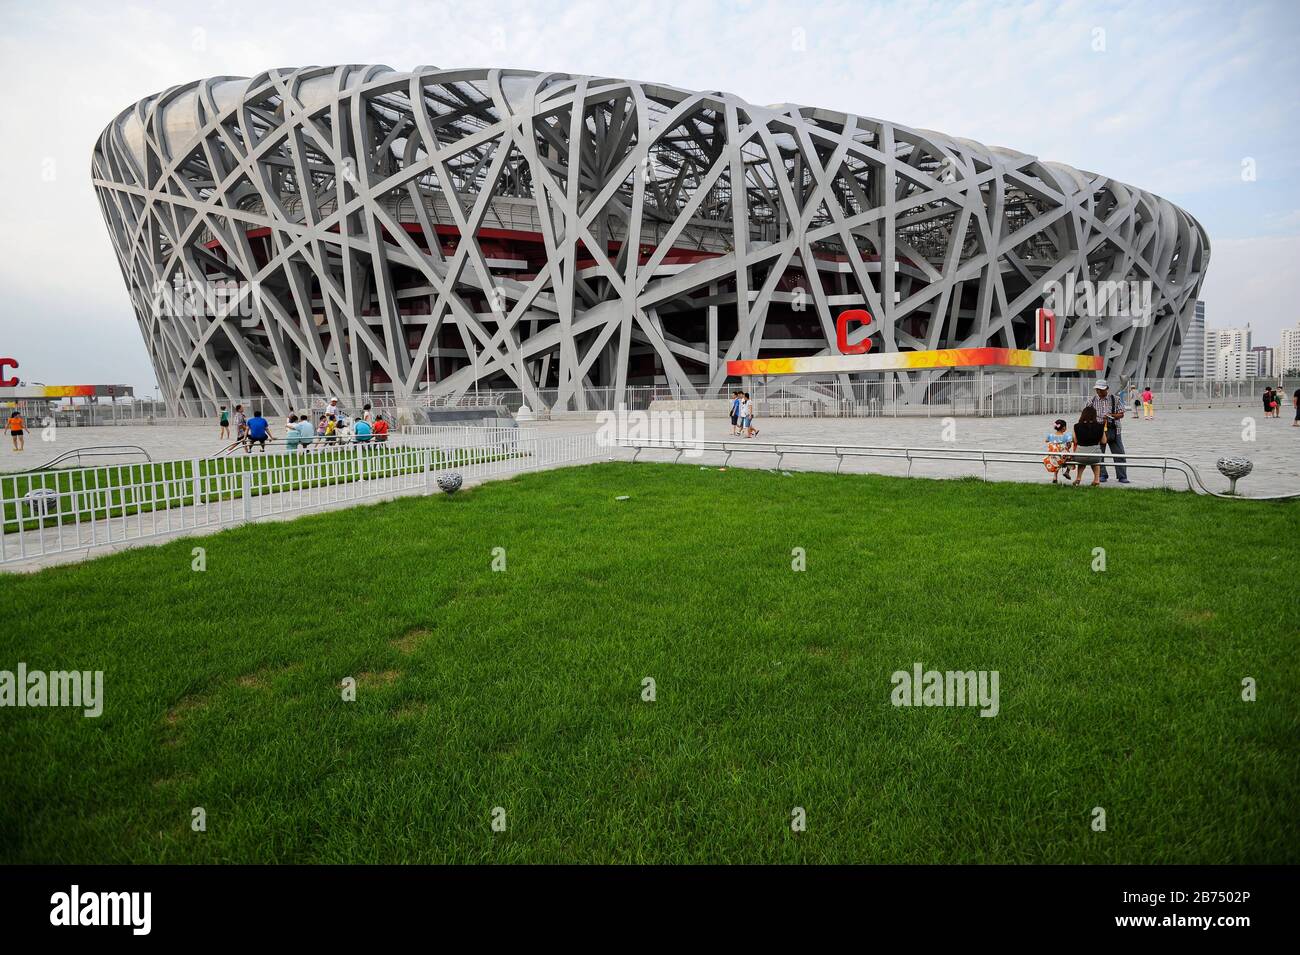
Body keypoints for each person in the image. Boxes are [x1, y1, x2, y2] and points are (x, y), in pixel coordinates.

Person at [1084, 379, 1128, 484]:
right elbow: (1086, 415)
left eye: (1101, 389)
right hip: (1098, 431)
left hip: (1114, 430)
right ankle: (1102, 475)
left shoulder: (1115, 399)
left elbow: (1121, 414)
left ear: (1107, 389)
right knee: (1099, 454)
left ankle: (1122, 476)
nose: (1099, 391)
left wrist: (1111, 416)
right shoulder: (1092, 400)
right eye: (1097, 389)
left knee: (1119, 453)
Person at [1072, 407, 1105, 486]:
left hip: (1080, 455)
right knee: (1094, 460)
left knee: (1083, 458)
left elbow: (1075, 441)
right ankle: (1096, 479)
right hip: (1095, 456)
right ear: (1095, 415)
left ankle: (1078, 478)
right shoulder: (1100, 426)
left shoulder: (1076, 426)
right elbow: (1104, 441)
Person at [1043, 418, 1075, 484]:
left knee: (1056, 459)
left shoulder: (1050, 435)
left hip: (1054, 457)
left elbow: (1046, 440)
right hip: (1063, 457)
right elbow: (1069, 446)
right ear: (1064, 428)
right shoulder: (1066, 436)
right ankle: (1067, 472)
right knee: (1072, 458)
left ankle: (1055, 477)